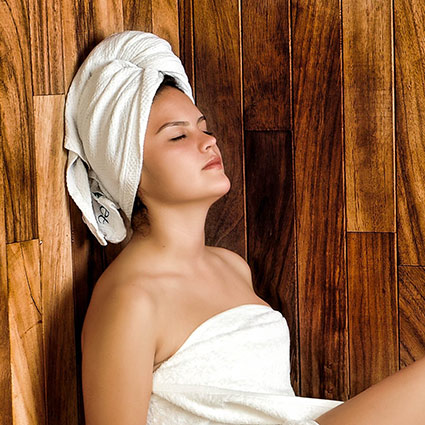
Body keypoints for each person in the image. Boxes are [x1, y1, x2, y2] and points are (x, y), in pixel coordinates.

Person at [64, 31, 425, 425]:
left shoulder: (232, 266)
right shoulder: (130, 299)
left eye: (203, 127)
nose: (208, 142)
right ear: (129, 170)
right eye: (178, 135)